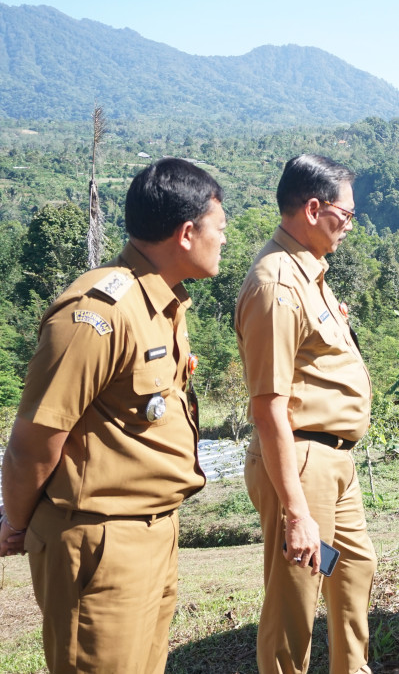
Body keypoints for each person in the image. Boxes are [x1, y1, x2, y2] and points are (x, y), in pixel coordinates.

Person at [0, 158, 226, 673]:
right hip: (99, 543)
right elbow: (34, 443)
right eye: (220, 228)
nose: (224, 239)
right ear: (187, 233)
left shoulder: (163, 305)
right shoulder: (98, 313)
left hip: (153, 531)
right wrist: (15, 522)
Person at [235, 154, 376, 674]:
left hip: (336, 460)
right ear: (314, 208)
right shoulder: (276, 284)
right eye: (347, 214)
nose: (350, 225)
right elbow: (268, 405)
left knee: (356, 566)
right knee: (296, 593)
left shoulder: (310, 273)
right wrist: (296, 512)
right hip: (300, 458)